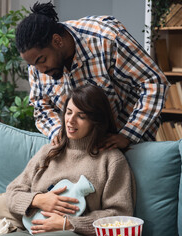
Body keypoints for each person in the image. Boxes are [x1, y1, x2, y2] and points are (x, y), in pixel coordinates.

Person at [15, 1, 169, 150]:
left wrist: (129, 134)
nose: (40, 70)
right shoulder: (37, 64)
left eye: (42, 60)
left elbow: (154, 82)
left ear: (57, 41)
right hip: (84, 149)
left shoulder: (106, 38)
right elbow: (40, 104)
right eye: (33, 65)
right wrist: (57, 131)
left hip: (129, 139)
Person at [0, 84, 136, 236]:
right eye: (68, 112)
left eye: (81, 116)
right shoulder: (48, 152)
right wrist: (38, 200)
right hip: (31, 230)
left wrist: (69, 223)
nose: (70, 121)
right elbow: (12, 193)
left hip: (77, 234)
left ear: (96, 121)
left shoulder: (111, 160)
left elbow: (119, 214)